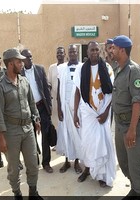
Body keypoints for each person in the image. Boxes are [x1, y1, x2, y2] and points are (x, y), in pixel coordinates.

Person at [0, 48, 43, 199]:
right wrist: (0, 138)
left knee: (33, 164)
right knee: (14, 168)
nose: (22, 64)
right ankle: (17, 194)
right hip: (10, 131)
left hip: (28, 129)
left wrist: (36, 118)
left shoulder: (24, 81)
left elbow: (31, 103)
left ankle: (33, 193)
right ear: (10, 64)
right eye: (19, 61)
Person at [110, 35, 140, 199]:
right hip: (121, 124)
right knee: (124, 162)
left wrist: (132, 130)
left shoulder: (133, 71)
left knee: (135, 164)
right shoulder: (119, 68)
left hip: (134, 125)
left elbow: (137, 102)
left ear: (122, 50)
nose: (111, 50)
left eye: (113, 48)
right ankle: (135, 187)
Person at [73, 41, 116, 188]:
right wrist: (75, 114)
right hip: (87, 112)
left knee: (102, 143)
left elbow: (112, 92)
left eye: (97, 50)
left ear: (100, 51)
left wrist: (105, 113)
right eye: (92, 50)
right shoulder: (81, 69)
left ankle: (102, 175)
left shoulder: (107, 68)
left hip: (103, 111)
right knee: (87, 143)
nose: (94, 52)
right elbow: (78, 91)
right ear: (87, 52)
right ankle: (88, 169)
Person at [20, 48, 53, 173]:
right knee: (31, 138)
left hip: (42, 107)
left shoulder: (39, 69)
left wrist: (49, 109)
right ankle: (35, 163)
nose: (30, 59)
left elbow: (46, 89)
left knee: (45, 136)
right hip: (28, 110)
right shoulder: (19, 73)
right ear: (22, 59)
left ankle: (46, 163)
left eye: (31, 56)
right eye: (27, 57)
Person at [56, 44, 83, 174]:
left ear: (77, 52)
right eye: (70, 52)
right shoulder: (61, 68)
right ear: (68, 53)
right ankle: (67, 161)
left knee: (77, 134)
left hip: (78, 108)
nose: (72, 54)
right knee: (65, 133)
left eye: (74, 52)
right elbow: (58, 88)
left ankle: (77, 161)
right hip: (64, 106)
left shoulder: (82, 67)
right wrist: (59, 108)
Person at [48, 47, 66, 152]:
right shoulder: (52, 68)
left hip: (65, 100)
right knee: (56, 122)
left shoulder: (68, 66)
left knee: (65, 122)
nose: (59, 54)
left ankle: (65, 144)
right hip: (54, 99)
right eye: (58, 53)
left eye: (61, 53)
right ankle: (58, 143)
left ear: (65, 55)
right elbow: (49, 83)